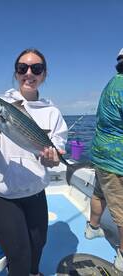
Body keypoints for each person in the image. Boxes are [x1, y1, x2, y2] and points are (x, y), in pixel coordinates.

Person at [0, 48, 68, 276]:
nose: (29, 73)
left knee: (38, 245)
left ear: (44, 75)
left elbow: (53, 161)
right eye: (22, 68)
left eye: (36, 68)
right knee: (19, 256)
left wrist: (52, 161)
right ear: (16, 74)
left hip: (35, 191)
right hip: (2, 195)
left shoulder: (52, 112)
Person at [84, 48, 123, 272]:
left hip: (101, 154)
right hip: (118, 160)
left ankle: (93, 227)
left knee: (100, 192)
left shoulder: (112, 83)